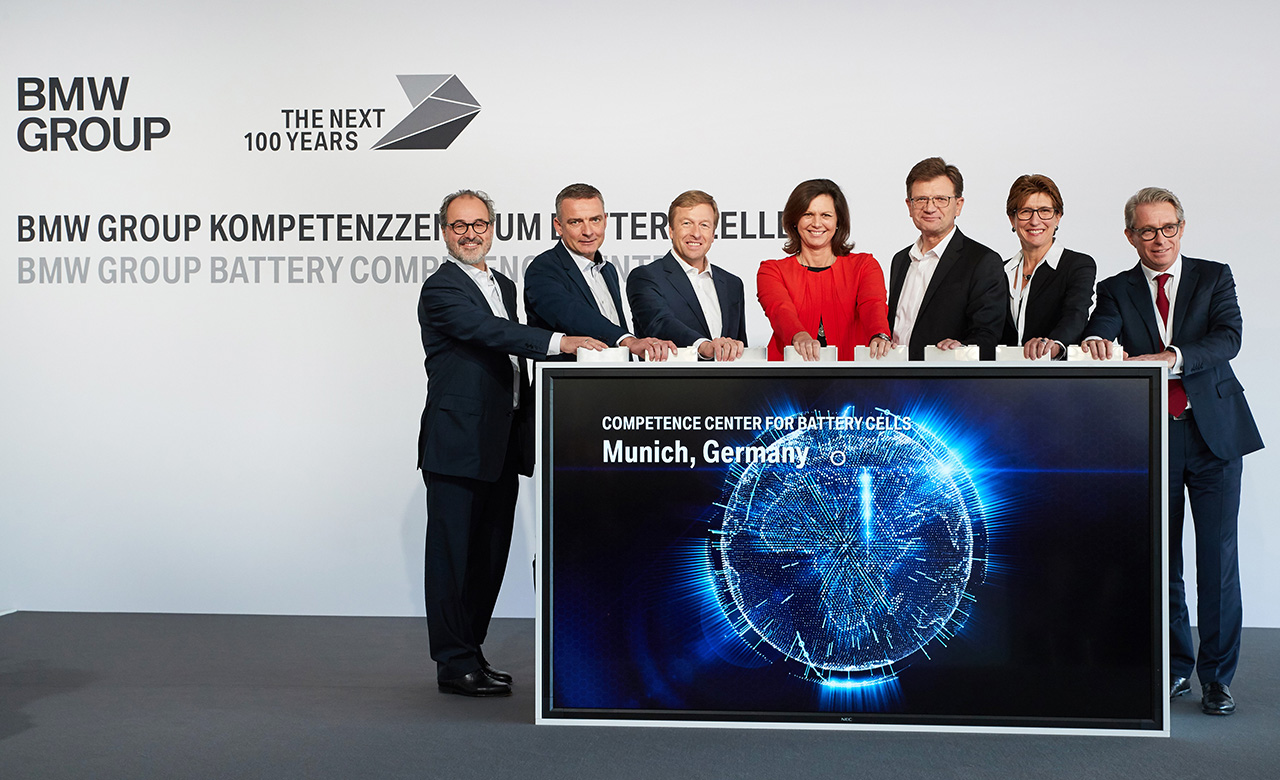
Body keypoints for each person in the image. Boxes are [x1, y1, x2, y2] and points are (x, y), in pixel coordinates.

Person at [1082, 187, 1263, 716]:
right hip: (1151, 434)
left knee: (1217, 560)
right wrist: (1094, 343)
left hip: (1214, 436)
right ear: (1130, 236)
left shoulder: (1213, 276)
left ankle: (1217, 678)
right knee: (1161, 561)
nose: (1159, 239)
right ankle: (1175, 667)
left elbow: (1229, 337)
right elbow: (1101, 330)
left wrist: (1173, 356)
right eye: (1147, 230)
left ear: (1181, 228)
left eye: (1168, 228)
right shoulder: (1115, 288)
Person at [417, 189, 606, 697]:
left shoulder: (502, 283)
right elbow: (490, 332)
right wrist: (560, 341)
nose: (470, 234)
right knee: (453, 559)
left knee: (487, 558)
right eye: (460, 225)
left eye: (479, 224)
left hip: (501, 442)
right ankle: (453, 663)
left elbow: (514, 348)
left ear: (492, 228)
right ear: (445, 232)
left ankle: (471, 653)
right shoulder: (441, 288)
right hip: (458, 443)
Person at [524, 183, 676, 361]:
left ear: (605, 220)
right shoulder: (543, 269)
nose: (588, 232)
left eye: (595, 220)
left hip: (617, 376)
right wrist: (628, 341)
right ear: (559, 226)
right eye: (576, 222)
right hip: (569, 378)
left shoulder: (608, 270)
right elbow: (573, 315)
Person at [756, 179, 891, 361]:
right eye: (808, 214)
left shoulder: (864, 265)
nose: (817, 223)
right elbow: (779, 309)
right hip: (789, 371)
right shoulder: (771, 270)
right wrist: (799, 336)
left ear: (838, 221)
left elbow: (872, 304)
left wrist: (880, 334)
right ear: (795, 220)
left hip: (851, 373)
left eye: (826, 215)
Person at [887, 157, 1005, 360]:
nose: (930, 208)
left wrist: (963, 349)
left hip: (947, 376)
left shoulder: (983, 261)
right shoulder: (900, 260)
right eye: (921, 199)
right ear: (909, 205)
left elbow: (987, 335)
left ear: (958, 205)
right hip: (895, 375)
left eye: (941, 199)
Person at [625, 190, 747, 361]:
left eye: (704, 225)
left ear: (713, 234)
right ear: (671, 230)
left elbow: (739, 346)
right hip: (670, 378)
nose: (696, 233)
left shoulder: (732, 284)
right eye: (687, 223)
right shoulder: (646, 277)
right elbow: (660, 323)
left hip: (727, 379)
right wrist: (703, 346)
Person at [1001, 174, 1096, 359]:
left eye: (1045, 211)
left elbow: (1075, 315)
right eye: (1025, 211)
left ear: (1058, 217)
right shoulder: (999, 271)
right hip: (1003, 373)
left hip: (1054, 372)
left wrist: (1054, 345)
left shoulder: (1077, 265)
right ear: (1012, 219)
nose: (1035, 221)